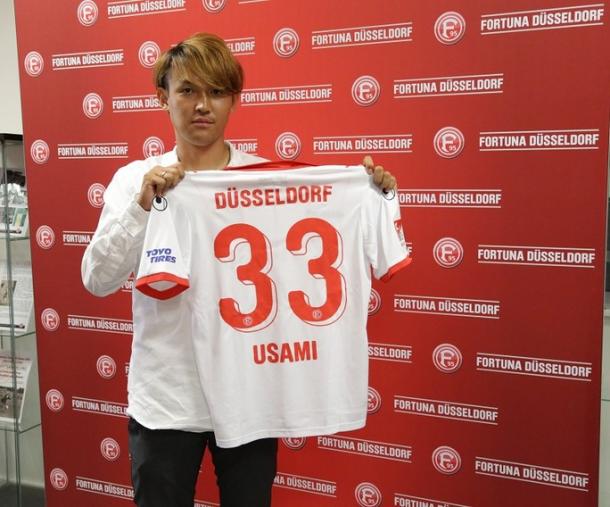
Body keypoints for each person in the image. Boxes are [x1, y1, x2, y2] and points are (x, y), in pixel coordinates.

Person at [81, 32, 398, 507]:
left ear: (234, 101)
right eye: (187, 90)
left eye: (216, 91)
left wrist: (368, 193)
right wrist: (142, 208)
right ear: (162, 98)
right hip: (167, 399)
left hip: (250, 394)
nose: (202, 105)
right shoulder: (135, 180)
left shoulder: (270, 181)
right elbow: (96, 278)